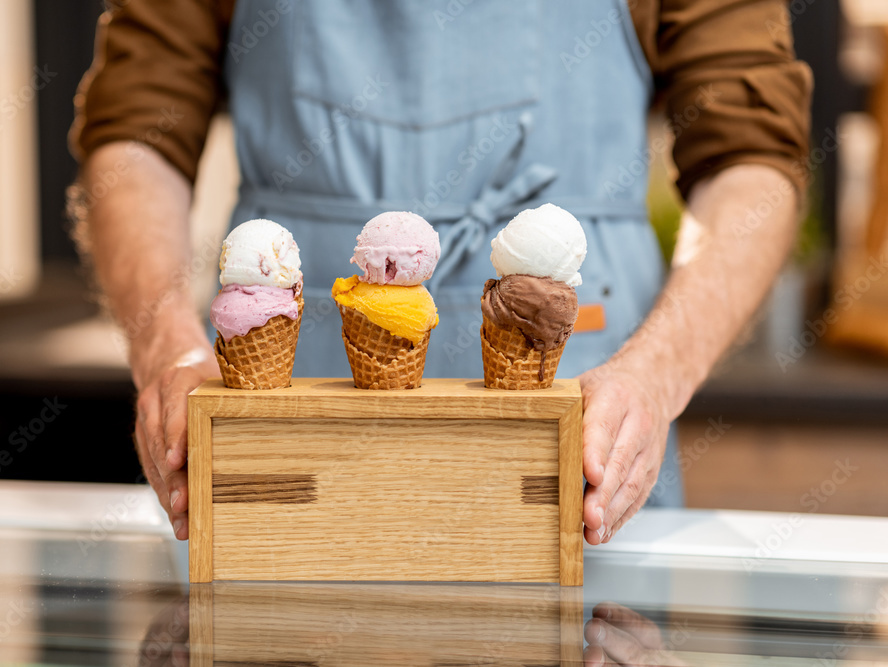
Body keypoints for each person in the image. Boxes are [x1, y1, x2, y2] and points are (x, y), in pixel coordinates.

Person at [69, 0, 812, 544]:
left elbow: (751, 155)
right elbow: (138, 130)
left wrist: (658, 370)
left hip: (588, 415)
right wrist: (167, 345)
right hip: (283, 445)